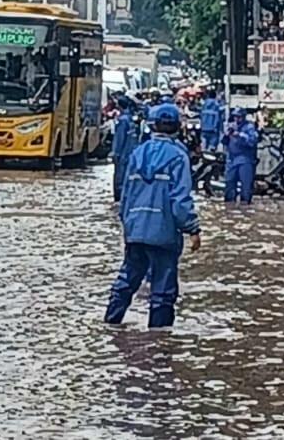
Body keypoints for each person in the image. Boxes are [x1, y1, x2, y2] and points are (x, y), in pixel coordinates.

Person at [105, 102, 202, 329]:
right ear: (177, 127)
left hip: (136, 230)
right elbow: (180, 201)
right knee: (163, 291)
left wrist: (128, 226)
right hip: (164, 232)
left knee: (126, 281)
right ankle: (159, 342)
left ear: (153, 125)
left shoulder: (138, 154)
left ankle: (110, 325)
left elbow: (125, 196)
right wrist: (193, 229)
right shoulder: (178, 157)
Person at [224, 108, 258, 206]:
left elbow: (253, 141)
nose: (236, 119)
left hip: (245, 159)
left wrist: (240, 135)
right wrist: (227, 135)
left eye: (239, 117)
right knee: (229, 184)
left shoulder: (249, 127)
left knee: (246, 187)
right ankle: (229, 206)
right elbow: (224, 142)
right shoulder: (231, 126)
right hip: (231, 159)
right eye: (235, 117)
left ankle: (245, 205)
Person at [111, 94, 140, 203]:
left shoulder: (122, 120)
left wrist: (115, 154)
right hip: (131, 154)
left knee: (119, 181)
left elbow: (119, 139)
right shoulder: (131, 119)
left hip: (123, 156)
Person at [199, 87, 225, 153]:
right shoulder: (217, 105)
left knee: (204, 145)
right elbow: (219, 118)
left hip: (204, 129)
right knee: (212, 147)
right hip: (213, 129)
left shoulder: (204, 104)